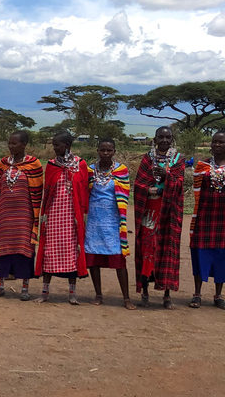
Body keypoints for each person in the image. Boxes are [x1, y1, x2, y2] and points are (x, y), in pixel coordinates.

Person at [34, 131, 89, 304]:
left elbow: (84, 191)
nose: (54, 148)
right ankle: (44, 292)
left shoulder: (80, 164)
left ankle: (72, 294)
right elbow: (48, 192)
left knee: (72, 251)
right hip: (53, 215)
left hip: (73, 216)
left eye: (57, 145)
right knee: (49, 251)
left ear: (67, 145)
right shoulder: (51, 165)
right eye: (53, 145)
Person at [133, 126, 184, 309]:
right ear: (154, 139)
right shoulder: (148, 158)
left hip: (168, 213)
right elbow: (139, 183)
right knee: (147, 249)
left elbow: (179, 183)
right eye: (160, 137)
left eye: (167, 137)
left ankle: (167, 295)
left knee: (167, 250)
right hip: (149, 212)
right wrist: (149, 189)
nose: (164, 140)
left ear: (172, 139)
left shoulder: (178, 159)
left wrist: (167, 176)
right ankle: (144, 292)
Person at [0, 131, 42, 301]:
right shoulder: (3, 164)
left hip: (24, 216)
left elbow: (37, 193)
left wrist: (34, 217)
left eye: (14, 144)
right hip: (5, 216)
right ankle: (0, 286)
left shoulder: (34, 165)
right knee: (2, 251)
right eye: (9, 143)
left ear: (24, 144)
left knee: (24, 250)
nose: (11, 147)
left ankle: (25, 289)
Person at [85, 138, 134, 309]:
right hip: (93, 221)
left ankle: (126, 298)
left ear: (114, 151)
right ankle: (98, 294)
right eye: (102, 150)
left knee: (118, 259)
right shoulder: (89, 170)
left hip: (113, 221)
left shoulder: (121, 170)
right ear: (97, 151)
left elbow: (124, 193)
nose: (106, 153)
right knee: (93, 258)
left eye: (109, 150)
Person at [189, 131, 225, 309]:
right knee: (200, 254)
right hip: (203, 217)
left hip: (223, 220)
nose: (217, 145)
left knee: (222, 256)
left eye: (221, 142)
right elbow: (196, 190)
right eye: (214, 142)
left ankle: (218, 295)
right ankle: (197, 294)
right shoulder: (202, 166)